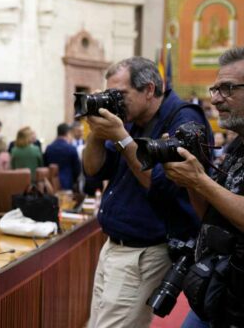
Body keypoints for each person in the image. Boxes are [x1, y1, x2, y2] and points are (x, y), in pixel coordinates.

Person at [83, 56, 210, 327]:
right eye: (109, 94)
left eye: (120, 94)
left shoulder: (183, 118)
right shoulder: (130, 119)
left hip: (145, 252)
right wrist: (96, 129)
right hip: (113, 246)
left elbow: (162, 184)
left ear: (149, 90)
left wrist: (121, 137)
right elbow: (94, 171)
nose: (114, 101)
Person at [163, 47, 244, 328]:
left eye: (228, 88)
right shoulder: (236, 146)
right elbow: (209, 216)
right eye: (215, 89)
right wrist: (188, 179)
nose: (216, 99)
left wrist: (200, 180)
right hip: (216, 291)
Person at [43, 123, 81, 191]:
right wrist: (74, 180)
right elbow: (77, 169)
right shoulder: (71, 148)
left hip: (51, 184)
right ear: (68, 133)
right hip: (67, 182)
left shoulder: (49, 148)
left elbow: (45, 165)